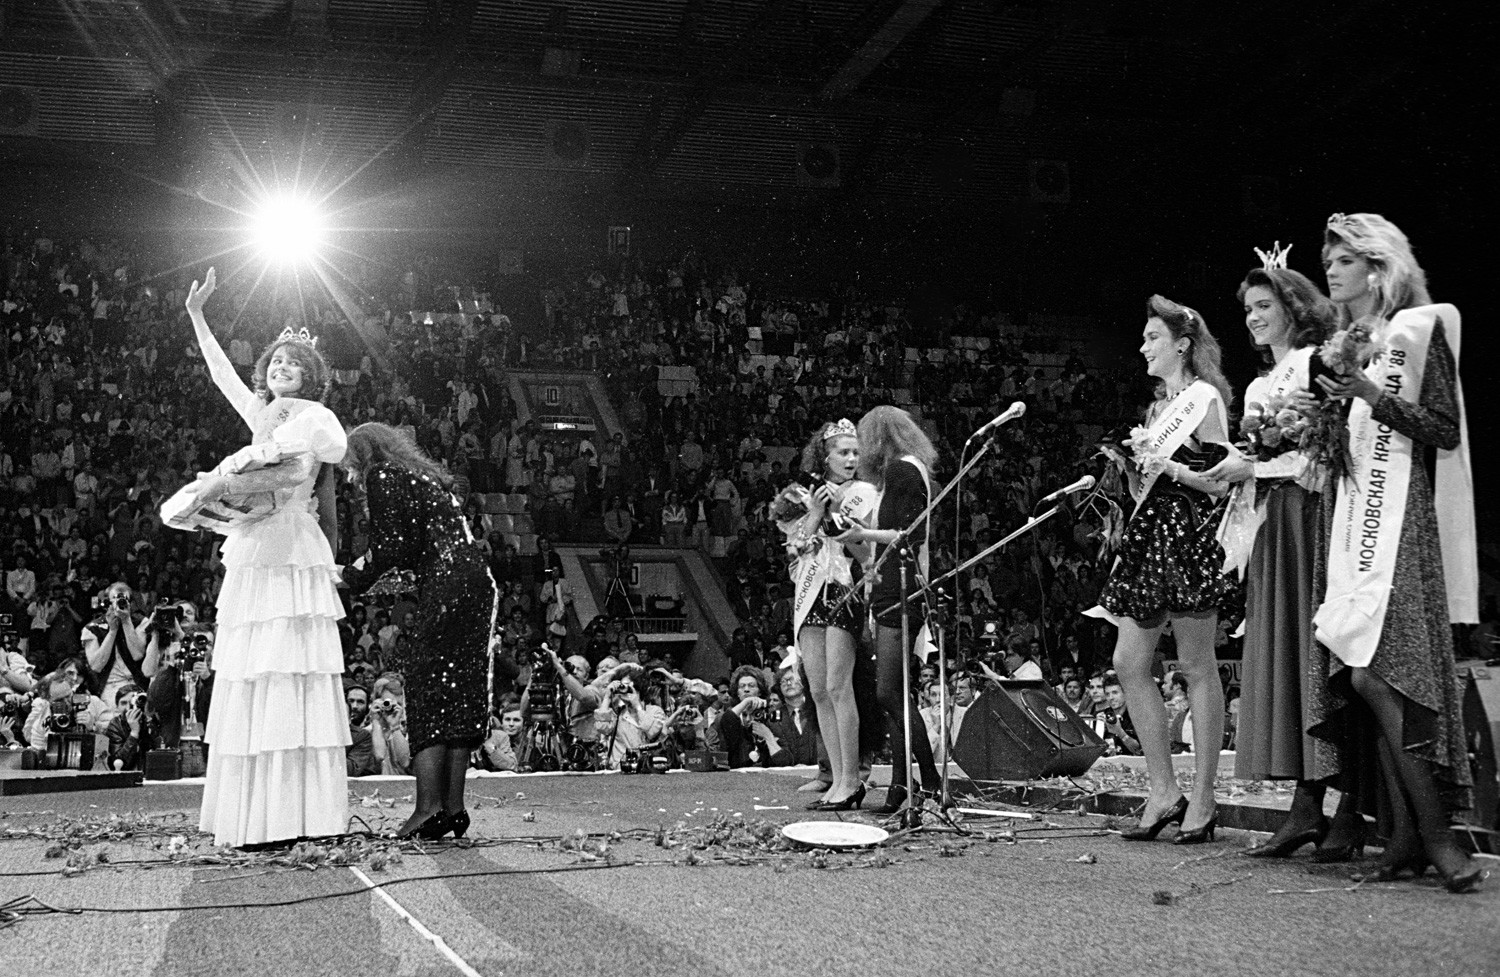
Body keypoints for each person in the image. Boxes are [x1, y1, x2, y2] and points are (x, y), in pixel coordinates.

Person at [1310, 214, 1482, 892]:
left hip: (1399, 522)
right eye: (1331, 260)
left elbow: (1441, 428)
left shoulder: (1416, 331)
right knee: (1364, 673)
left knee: (1379, 674)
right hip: (1351, 523)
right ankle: (1409, 835)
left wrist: (1371, 395)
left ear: (1379, 269)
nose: (1334, 270)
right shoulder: (1350, 343)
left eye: (1346, 260)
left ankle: (1436, 835)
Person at [1202, 251, 1367, 860]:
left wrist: (1254, 461)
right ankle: (1306, 803)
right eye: (1247, 310)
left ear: (1293, 308)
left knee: (1320, 658)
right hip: (1271, 527)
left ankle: (1345, 805)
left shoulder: (1312, 365)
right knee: (1291, 658)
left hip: (1310, 518)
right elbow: (1251, 457)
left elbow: (1324, 453)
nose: (1253, 318)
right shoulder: (1254, 385)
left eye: (1264, 305)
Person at [183, 268, 351, 849]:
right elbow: (219, 373)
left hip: (294, 546)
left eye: (293, 364)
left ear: (310, 375)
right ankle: (253, 813)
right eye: (276, 363)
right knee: (255, 667)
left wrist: (294, 440)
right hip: (255, 546)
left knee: (293, 665)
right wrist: (198, 316)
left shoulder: (313, 415)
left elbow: (337, 449)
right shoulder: (257, 411)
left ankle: (301, 814)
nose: (281, 369)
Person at [1088, 295, 1233, 844]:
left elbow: (1221, 481)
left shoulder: (1205, 400)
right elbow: (1147, 488)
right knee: (1129, 663)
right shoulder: (1158, 409)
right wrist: (1130, 469)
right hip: (1150, 538)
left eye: (1152, 338)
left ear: (1182, 345)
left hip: (1189, 536)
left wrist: (1168, 463)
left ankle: (1204, 797)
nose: (1143, 347)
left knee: (1197, 665)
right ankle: (1163, 789)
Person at [343, 423, 499, 839]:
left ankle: (427, 808)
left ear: (364, 452)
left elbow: (391, 548)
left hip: (446, 585)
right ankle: (453, 807)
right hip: (478, 585)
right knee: (459, 692)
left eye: (349, 463)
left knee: (429, 689)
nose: (349, 474)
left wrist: (353, 577)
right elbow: (415, 550)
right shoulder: (425, 479)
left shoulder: (381, 475)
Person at [835, 406, 942, 814]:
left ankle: (928, 781)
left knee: (889, 692)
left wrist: (861, 532)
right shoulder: (912, 470)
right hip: (903, 587)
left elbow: (905, 535)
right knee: (898, 691)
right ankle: (901, 784)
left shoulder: (899, 472)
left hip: (900, 591)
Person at [770, 418, 875, 810]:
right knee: (816, 690)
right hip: (810, 593)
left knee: (838, 686)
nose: (850, 459)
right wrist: (815, 512)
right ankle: (834, 777)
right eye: (843, 452)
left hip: (843, 589)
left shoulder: (864, 494)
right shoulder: (808, 495)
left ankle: (852, 779)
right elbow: (795, 552)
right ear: (825, 456)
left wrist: (836, 519)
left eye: (855, 452)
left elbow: (867, 552)